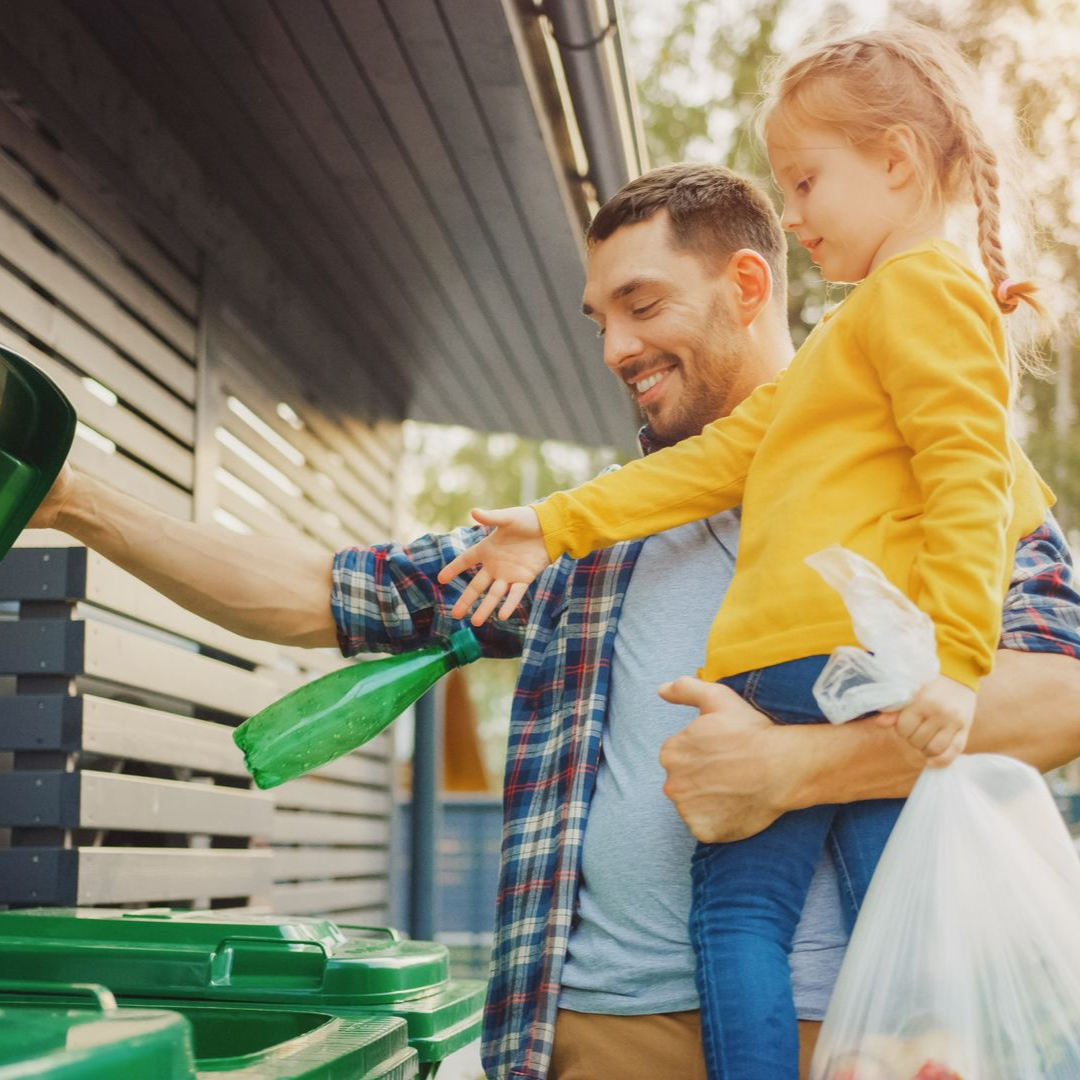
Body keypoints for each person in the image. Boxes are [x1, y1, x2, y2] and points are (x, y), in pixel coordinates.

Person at [27, 164, 1080, 1080]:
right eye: (600, 320)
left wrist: (793, 771)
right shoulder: (585, 536)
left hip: (854, 1032)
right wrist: (78, 501)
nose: (615, 347)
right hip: (593, 1034)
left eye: (643, 305)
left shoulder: (941, 466)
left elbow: (1059, 701)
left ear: (747, 286)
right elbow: (321, 592)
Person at [438, 26, 1067, 1080]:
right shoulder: (853, 336)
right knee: (886, 907)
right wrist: (554, 524)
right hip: (809, 674)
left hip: (834, 672)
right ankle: (912, 1052)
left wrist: (956, 666)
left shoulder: (924, 293)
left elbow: (973, 481)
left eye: (808, 182)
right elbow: (716, 460)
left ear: (899, 161)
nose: (795, 214)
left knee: (744, 917)